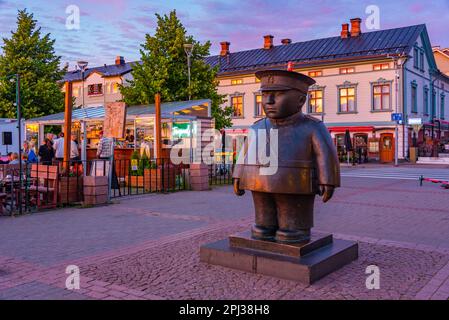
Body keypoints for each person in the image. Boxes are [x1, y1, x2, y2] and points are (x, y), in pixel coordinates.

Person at [233, 69, 340, 243]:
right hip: (258, 181)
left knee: (291, 210)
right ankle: (264, 225)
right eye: (265, 94)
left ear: (300, 100)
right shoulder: (257, 127)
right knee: (262, 209)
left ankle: (295, 228)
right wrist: (238, 174)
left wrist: (328, 179)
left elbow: (325, 154)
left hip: (295, 182)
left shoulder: (312, 127)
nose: (269, 101)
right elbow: (245, 152)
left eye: (278, 94)